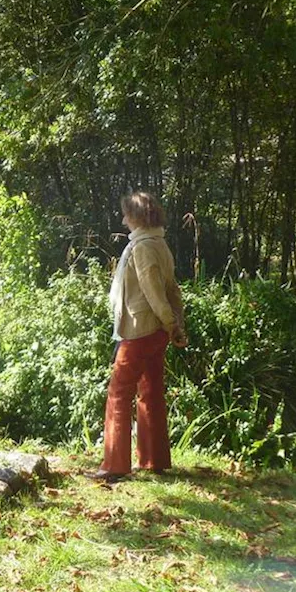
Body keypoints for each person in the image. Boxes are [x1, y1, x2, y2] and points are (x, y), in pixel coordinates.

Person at [96, 191, 187, 481]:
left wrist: (171, 323)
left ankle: (114, 466)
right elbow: (174, 289)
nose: (123, 220)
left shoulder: (144, 246)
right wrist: (174, 325)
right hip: (157, 330)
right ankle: (153, 460)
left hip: (140, 330)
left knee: (119, 393)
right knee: (150, 392)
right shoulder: (160, 243)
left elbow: (154, 291)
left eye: (126, 214)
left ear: (136, 217)